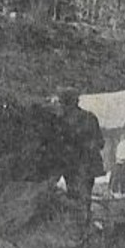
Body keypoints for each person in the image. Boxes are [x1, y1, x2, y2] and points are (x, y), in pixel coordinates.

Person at [46, 88, 104, 225]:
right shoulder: (91, 117)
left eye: (60, 103)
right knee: (85, 199)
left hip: (71, 166)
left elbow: (57, 146)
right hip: (89, 166)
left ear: (65, 103)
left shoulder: (61, 121)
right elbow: (100, 143)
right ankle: (85, 224)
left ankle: (79, 227)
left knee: (74, 198)